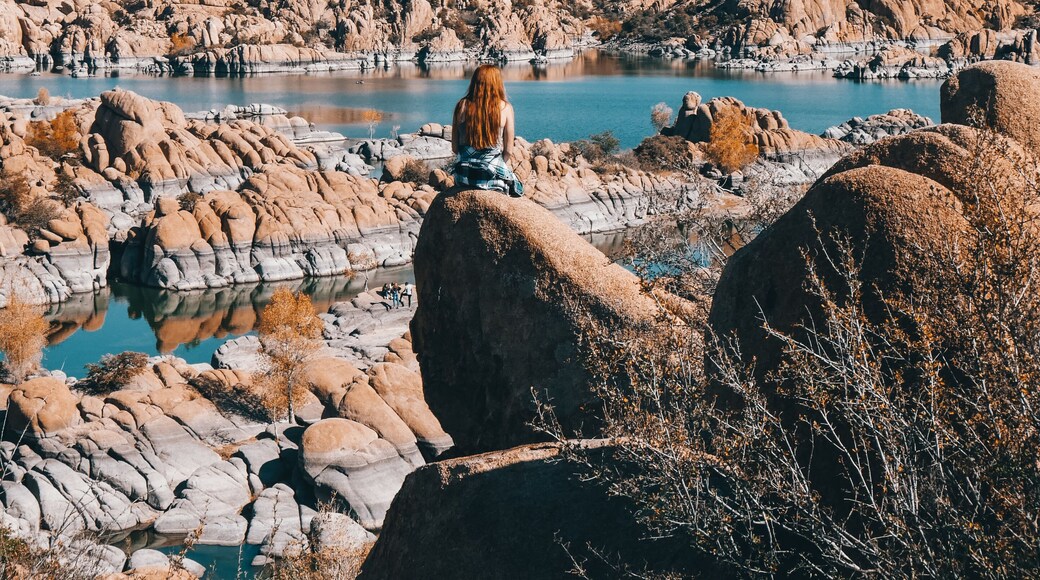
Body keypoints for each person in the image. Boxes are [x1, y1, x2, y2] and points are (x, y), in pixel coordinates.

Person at [451, 64, 524, 197]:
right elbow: (508, 150)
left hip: (463, 177)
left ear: (475, 81)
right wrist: (496, 164)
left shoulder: (461, 105)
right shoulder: (505, 108)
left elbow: (455, 148)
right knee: (517, 187)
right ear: (497, 83)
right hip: (492, 179)